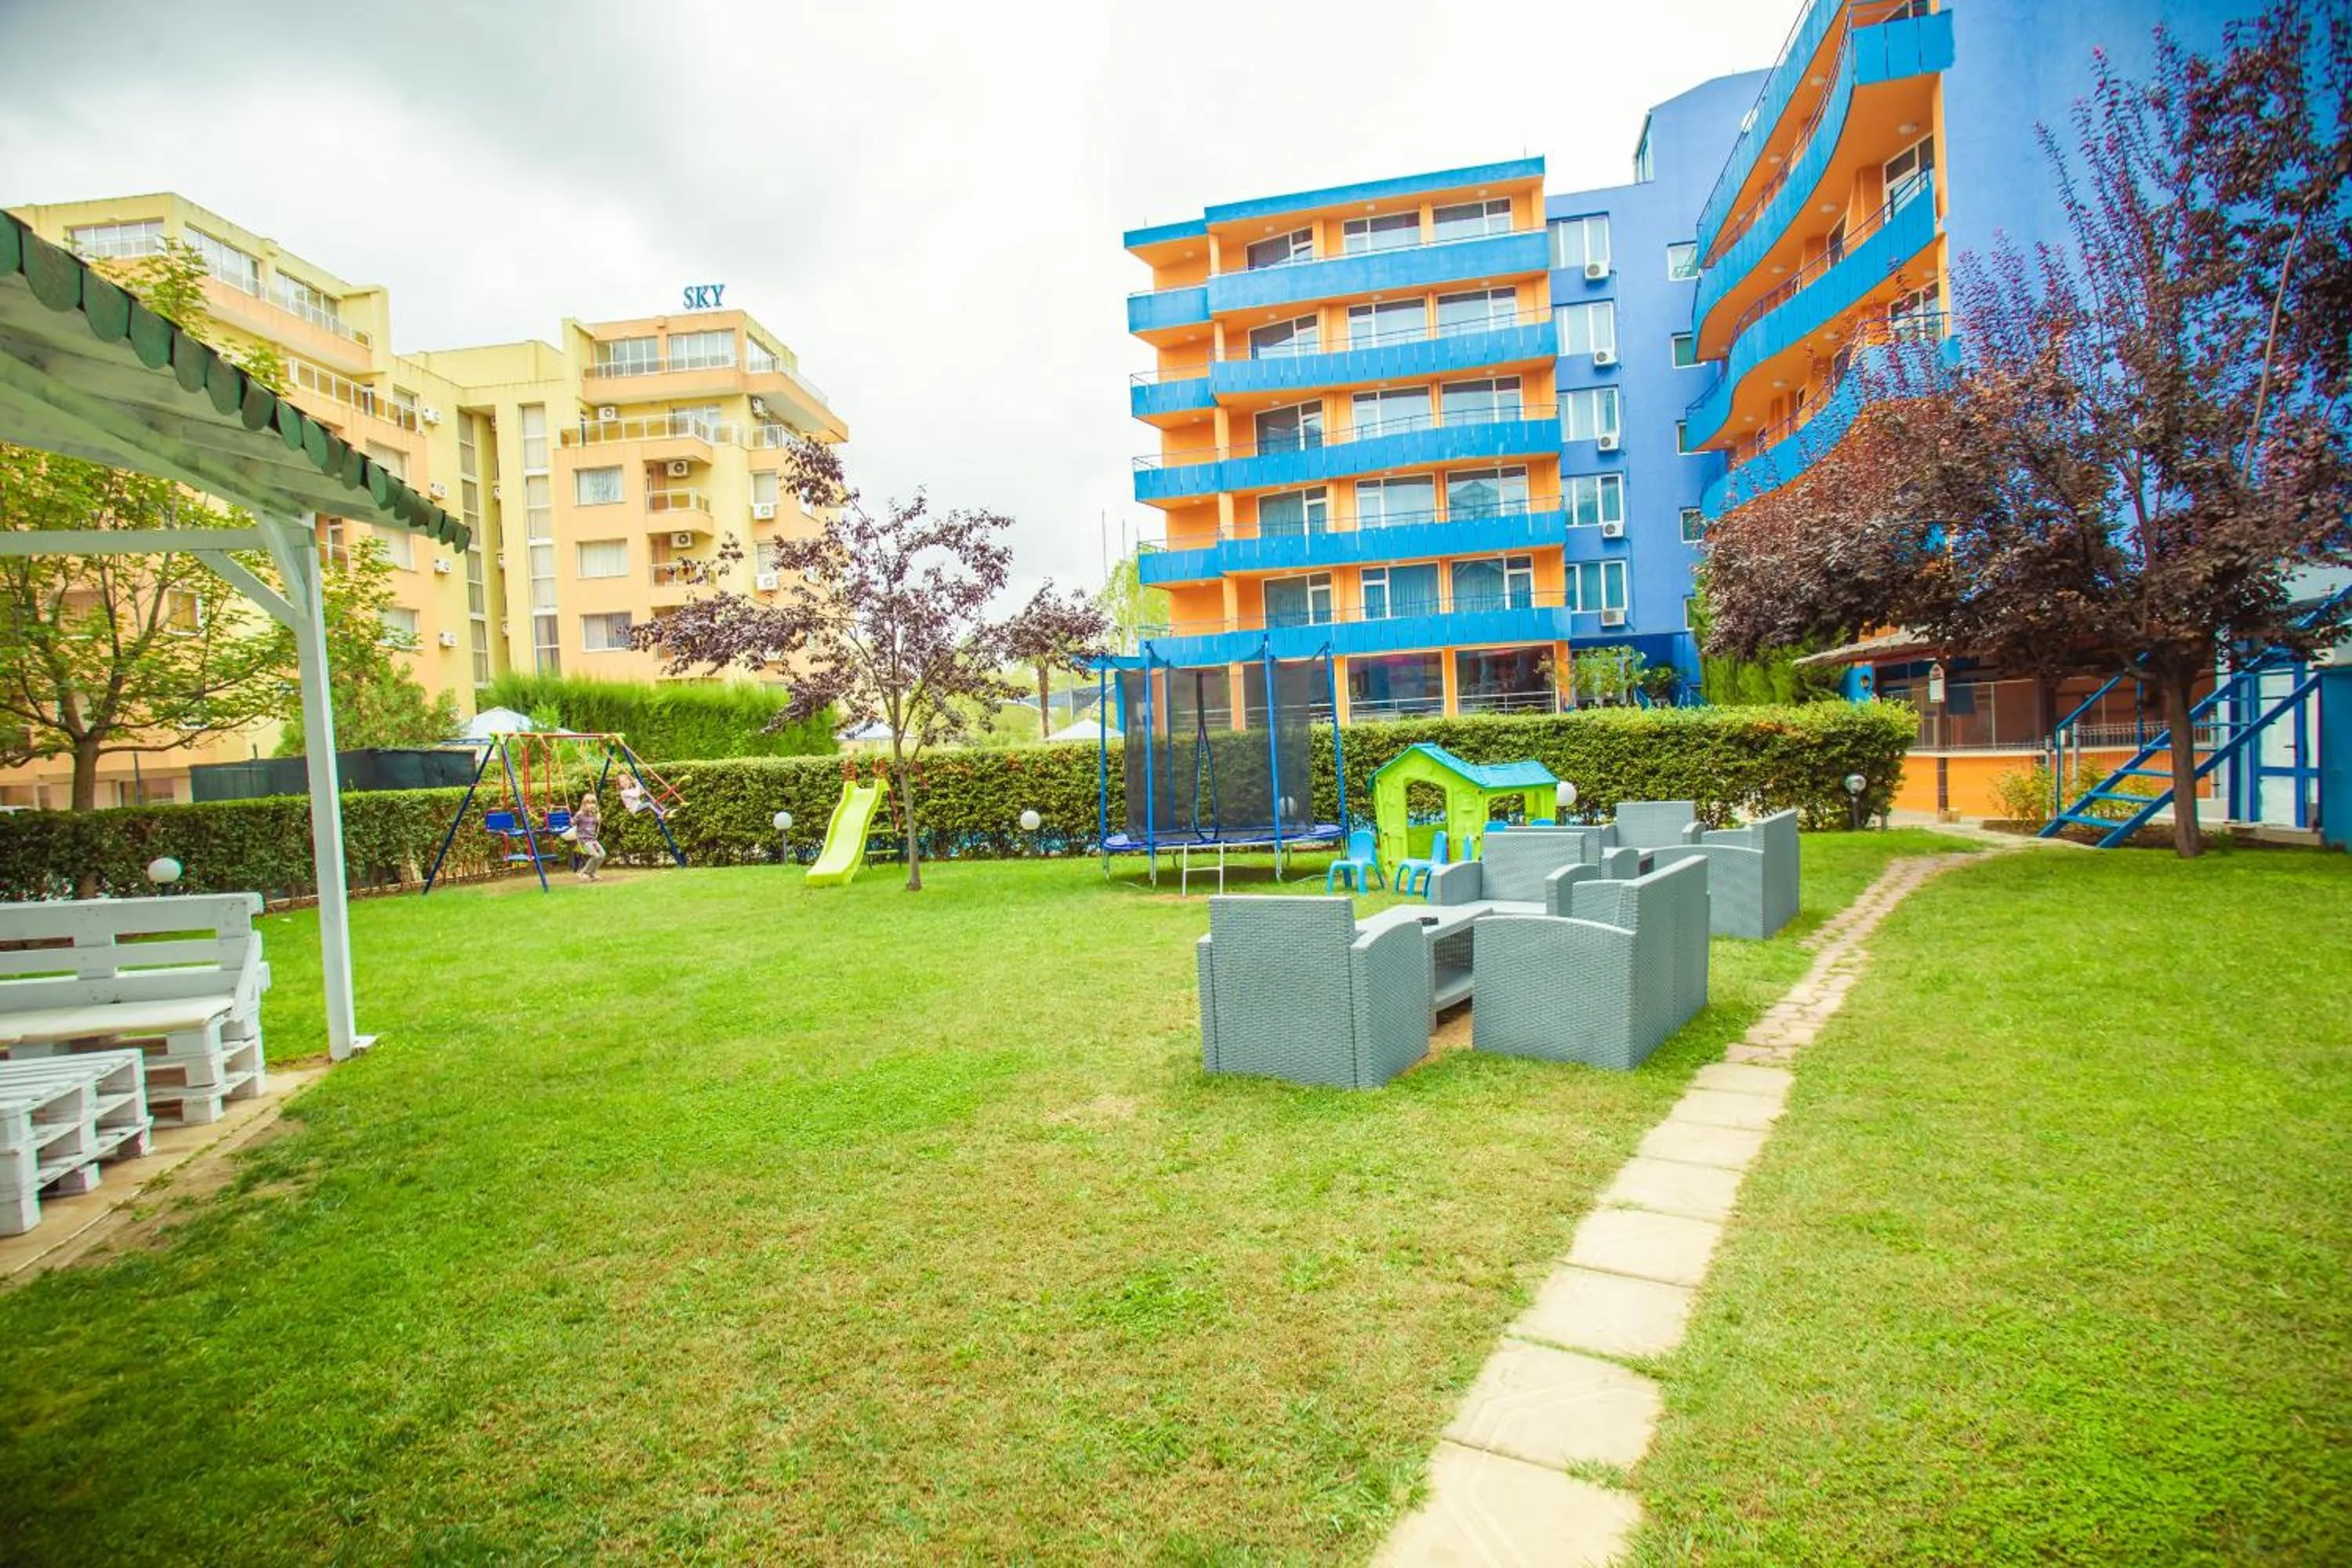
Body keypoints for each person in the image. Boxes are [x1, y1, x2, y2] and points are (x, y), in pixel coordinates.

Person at [572, 790, 605, 881]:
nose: (592, 805)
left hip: (593, 840)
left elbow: (596, 824)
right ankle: (584, 873)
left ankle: (592, 873)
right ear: (584, 804)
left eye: (593, 803)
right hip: (584, 841)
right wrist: (571, 820)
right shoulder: (580, 815)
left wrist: (598, 819)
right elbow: (572, 823)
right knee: (595, 856)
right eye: (589, 803)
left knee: (602, 855)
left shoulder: (594, 814)